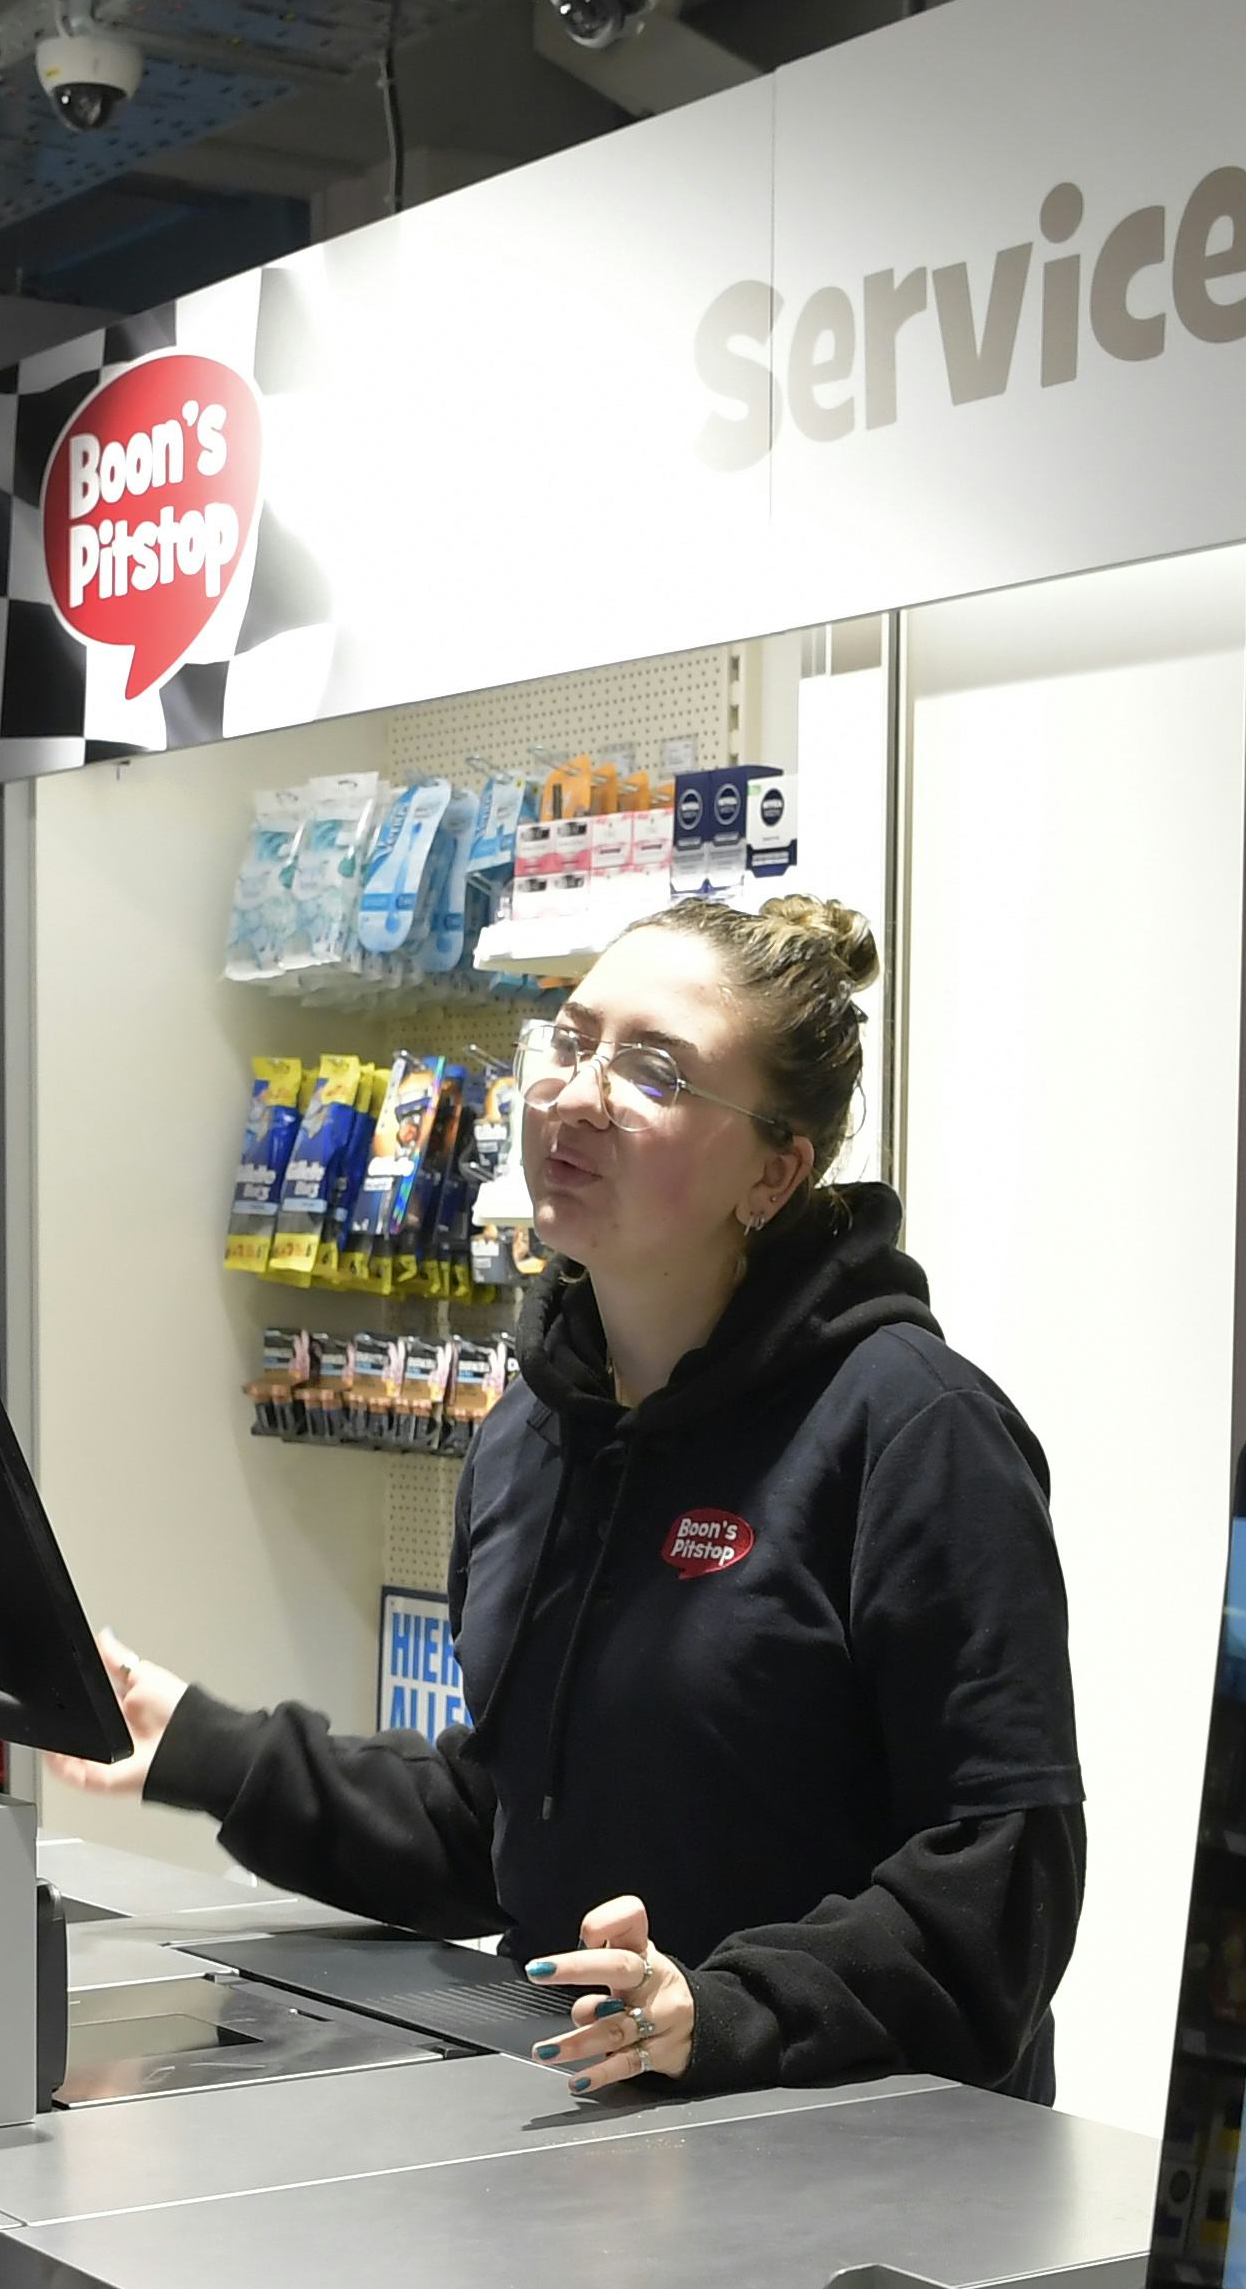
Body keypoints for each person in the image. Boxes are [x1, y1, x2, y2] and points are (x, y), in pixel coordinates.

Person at [69, 895, 1082, 2097]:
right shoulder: (530, 1437)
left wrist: (726, 2009)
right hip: (589, 2135)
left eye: (654, 1069)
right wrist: (201, 1745)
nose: (578, 1091)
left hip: (853, 2171)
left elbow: (1004, 1874)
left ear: (776, 1169)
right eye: (571, 1037)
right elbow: (498, 1829)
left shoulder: (915, 1427)